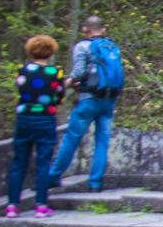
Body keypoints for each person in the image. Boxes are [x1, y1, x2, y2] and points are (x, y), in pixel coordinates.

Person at [46, 14, 123, 193]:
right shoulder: (111, 46)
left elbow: (79, 72)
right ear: (103, 29)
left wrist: (67, 83)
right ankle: (95, 183)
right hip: (108, 99)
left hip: (89, 99)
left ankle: (53, 176)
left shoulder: (82, 46)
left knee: (72, 137)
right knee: (102, 141)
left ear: (84, 30)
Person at [6, 35, 66, 217]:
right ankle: (41, 205)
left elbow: (20, 89)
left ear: (30, 51)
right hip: (45, 118)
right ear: (51, 52)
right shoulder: (55, 72)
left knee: (18, 162)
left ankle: (12, 206)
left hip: (24, 118)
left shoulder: (22, 70)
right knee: (43, 162)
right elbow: (59, 96)